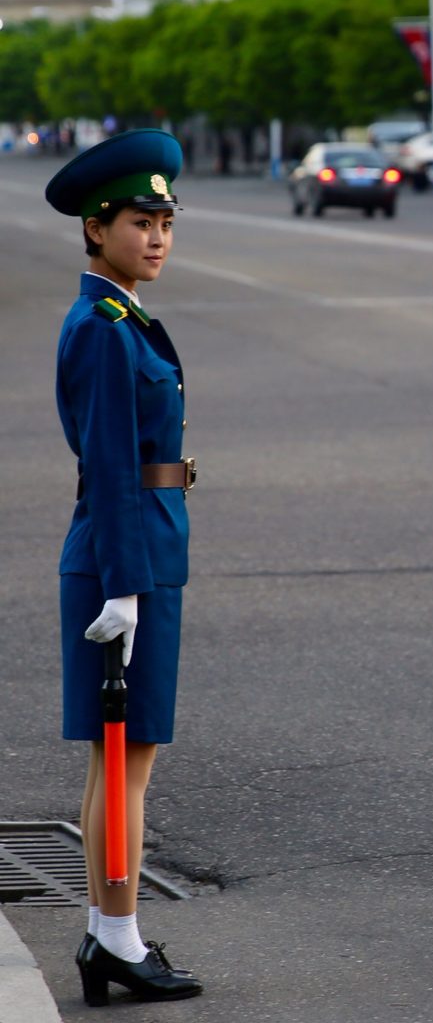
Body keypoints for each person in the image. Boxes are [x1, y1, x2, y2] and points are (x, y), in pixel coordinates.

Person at [45, 129, 202, 1006]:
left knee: (128, 757)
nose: (156, 238)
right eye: (140, 221)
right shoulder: (104, 327)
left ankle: (114, 934)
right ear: (95, 229)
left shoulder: (121, 317)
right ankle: (115, 938)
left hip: (141, 549)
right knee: (122, 761)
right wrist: (122, 583)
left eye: (165, 223)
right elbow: (107, 463)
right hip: (123, 556)